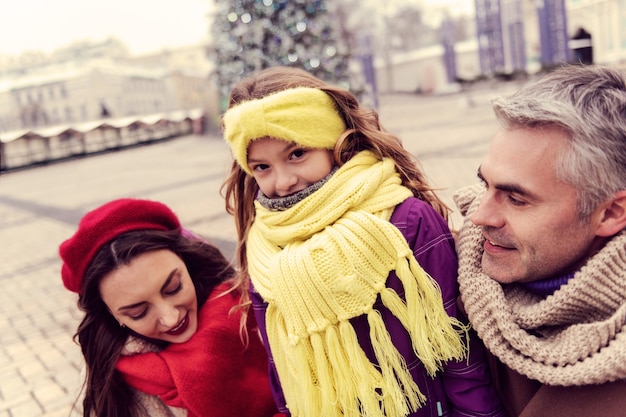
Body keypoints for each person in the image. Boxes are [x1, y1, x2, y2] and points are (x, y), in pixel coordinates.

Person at [220, 66, 506, 417]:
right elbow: (285, 375)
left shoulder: (404, 220)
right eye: (262, 167)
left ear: (334, 143)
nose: (283, 181)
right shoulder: (265, 250)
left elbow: (457, 349)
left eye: (297, 154)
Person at [454, 64, 626, 417]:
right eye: (486, 184)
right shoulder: (447, 275)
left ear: (609, 214)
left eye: (516, 199)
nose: (479, 216)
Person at [59, 198, 281, 417]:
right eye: (139, 312)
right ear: (110, 314)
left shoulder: (254, 303)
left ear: (187, 264)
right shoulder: (110, 384)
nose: (171, 318)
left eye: (174, 288)